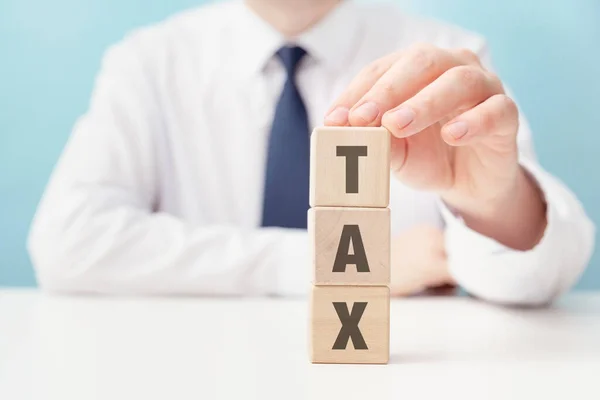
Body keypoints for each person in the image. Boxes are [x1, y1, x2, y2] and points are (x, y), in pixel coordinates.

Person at [28, 0, 594, 304]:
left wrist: (493, 204)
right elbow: (67, 243)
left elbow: (542, 279)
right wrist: (329, 267)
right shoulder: (149, 63)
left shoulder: (447, 59)